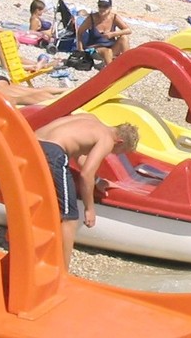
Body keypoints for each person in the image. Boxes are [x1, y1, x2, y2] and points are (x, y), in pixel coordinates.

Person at [34, 114, 139, 268]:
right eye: (118, 152)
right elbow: (85, 174)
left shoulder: (91, 119)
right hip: (53, 152)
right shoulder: (107, 139)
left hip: (32, 142)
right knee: (69, 218)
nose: (113, 154)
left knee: (43, 203)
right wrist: (89, 208)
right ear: (119, 141)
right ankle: (62, 270)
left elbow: (79, 156)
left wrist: (97, 181)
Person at [76, 0, 131, 65]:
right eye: (100, 6)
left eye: (105, 6)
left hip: (112, 47)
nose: (102, 8)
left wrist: (113, 34)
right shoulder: (92, 18)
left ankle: (128, 63)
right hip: (96, 49)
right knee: (107, 52)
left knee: (124, 38)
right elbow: (79, 32)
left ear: (110, 8)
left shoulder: (114, 17)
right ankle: (111, 72)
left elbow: (128, 30)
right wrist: (80, 50)